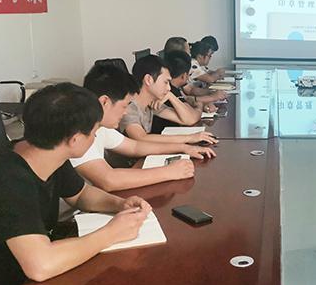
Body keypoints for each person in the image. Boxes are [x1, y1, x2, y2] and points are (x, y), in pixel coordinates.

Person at [0, 83, 152, 285]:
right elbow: (40, 266)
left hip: (28, 273)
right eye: (93, 132)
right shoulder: (7, 180)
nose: (95, 137)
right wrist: (111, 233)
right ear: (75, 140)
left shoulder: (45, 151)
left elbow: (80, 194)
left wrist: (118, 204)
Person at [72, 64, 215, 192]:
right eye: (124, 106)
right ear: (105, 102)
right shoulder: (79, 133)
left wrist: (184, 148)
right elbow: (108, 180)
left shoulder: (101, 128)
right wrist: (170, 172)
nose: (126, 112)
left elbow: (135, 147)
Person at [119, 55, 213, 144]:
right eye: (165, 82)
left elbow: (190, 119)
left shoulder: (151, 102)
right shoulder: (129, 105)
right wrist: (190, 138)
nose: (169, 88)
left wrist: (171, 96)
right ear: (148, 80)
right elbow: (141, 138)